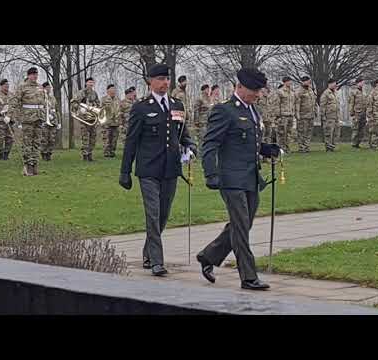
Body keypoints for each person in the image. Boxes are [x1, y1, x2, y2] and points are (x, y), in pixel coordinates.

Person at [196, 67, 281, 290]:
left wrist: (267, 149)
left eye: (259, 90)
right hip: (231, 179)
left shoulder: (254, 111)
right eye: (254, 90)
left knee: (242, 224)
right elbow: (210, 145)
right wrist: (211, 173)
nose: (258, 94)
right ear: (240, 87)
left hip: (251, 177)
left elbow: (248, 143)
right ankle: (248, 276)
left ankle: (208, 255)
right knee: (241, 226)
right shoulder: (224, 111)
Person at [119, 64, 197, 276]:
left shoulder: (177, 105)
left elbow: (183, 134)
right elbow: (132, 141)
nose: (165, 83)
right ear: (150, 81)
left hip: (170, 169)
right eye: (160, 79)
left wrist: (191, 147)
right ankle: (157, 261)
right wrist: (125, 171)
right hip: (148, 169)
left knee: (163, 215)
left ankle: (147, 253)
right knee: (152, 214)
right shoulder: (141, 107)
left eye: (167, 79)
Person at [9, 67, 46, 176]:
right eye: (33, 74)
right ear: (29, 75)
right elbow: (15, 101)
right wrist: (9, 114)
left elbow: (44, 102)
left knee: (37, 142)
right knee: (27, 142)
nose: (35, 76)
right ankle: (28, 165)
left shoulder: (40, 87)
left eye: (36, 74)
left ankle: (35, 164)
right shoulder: (22, 87)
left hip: (39, 118)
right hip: (28, 118)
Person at [71, 77, 100, 161]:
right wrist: (80, 107)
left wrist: (96, 108)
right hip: (84, 118)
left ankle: (90, 154)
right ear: (86, 83)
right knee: (85, 137)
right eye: (89, 82)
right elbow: (73, 102)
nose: (91, 84)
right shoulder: (81, 93)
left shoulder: (95, 93)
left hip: (92, 117)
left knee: (93, 136)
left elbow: (98, 103)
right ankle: (85, 155)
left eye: (92, 82)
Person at [0, 79, 14, 160]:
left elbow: (14, 106)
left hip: (9, 119)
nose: (7, 87)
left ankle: (6, 154)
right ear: (1, 86)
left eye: (8, 85)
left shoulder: (11, 95)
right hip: (0, 120)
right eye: (5, 85)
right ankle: (1, 155)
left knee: (10, 138)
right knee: (0, 138)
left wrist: (10, 114)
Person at [295, 76, 317, 152]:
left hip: (311, 114)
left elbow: (314, 102)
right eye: (307, 81)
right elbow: (297, 103)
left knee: (309, 132)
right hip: (303, 115)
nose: (309, 83)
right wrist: (297, 114)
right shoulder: (299, 91)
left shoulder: (311, 90)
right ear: (303, 82)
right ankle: (301, 147)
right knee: (302, 131)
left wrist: (315, 111)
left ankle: (306, 146)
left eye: (309, 81)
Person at [40, 82, 60, 161]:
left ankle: (49, 153)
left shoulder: (53, 98)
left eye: (49, 88)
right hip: (44, 121)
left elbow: (57, 110)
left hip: (53, 121)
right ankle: (43, 153)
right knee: (44, 138)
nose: (49, 89)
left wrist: (59, 122)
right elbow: (40, 109)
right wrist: (45, 116)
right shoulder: (41, 98)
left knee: (52, 139)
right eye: (47, 87)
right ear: (44, 88)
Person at [276, 76, 295, 152]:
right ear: (285, 82)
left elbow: (293, 103)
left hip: (290, 114)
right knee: (282, 132)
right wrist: (278, 116)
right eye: (289, 81)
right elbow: (277, 104)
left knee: (289, 133)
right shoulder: (280, 91)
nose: (290, 83)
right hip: (283, 115)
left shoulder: (292, 92)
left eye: (291, 81)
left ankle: (287, 147)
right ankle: (281, 148)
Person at [101, 84, 121, 158]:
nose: (113, 91)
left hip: (116, 122)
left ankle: (112, 152)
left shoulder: (118, 99)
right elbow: (100, 110)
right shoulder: (104, 99)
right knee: (106, 138)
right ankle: (106, 153)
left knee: (114, 139)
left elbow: (120, 110)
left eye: (114, 89)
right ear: (108, 90)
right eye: (111, 89)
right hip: (107, 122)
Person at [320, 78, 340, 152]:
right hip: (329, 116)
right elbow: (322, 106)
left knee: (336, 132)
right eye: (334, 84)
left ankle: (333, 146)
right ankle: (328, 147)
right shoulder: (325, 94)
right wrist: (323, 116)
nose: (335, 85)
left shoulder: (335, 92)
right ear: (330, 84)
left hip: (336, 115)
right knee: (329, 132)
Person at [348, 78, 367, 149]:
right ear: (358, 83)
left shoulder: (363, 92)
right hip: (357, 113)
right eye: (362, 82)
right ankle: (354, 144)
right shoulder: (353, 92)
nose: (363, 84)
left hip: (363, 113)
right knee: (355, 129)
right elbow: (351, 103)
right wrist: (351, 113)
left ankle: (358, 143)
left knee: (362, 130)